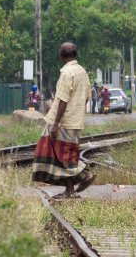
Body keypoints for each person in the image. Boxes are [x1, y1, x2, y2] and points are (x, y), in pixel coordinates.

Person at [30, 43, 95, 198]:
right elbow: (86, 97)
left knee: (57, 154)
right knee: (65, 155)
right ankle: (70, 190)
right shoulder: (82, 72)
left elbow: (63, 101)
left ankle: (84, 176)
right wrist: (77, 113)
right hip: (75, 121)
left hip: (63, 122)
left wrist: (56, 124)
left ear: (61, 56)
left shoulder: (66, 73)